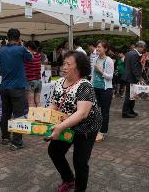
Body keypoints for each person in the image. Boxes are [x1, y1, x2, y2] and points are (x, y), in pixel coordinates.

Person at [48, 51, 102, 192]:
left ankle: (79, 188)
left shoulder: (85, 86)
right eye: (63, 63)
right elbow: (54, 104)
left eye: (68, 64)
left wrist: (59, 127)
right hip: (65, 123)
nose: (64, 67)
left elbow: (82, 113)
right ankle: (69, 180)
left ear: (78, 67)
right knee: (54, 151)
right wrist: (43, 120)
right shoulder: (59, 82)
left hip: (86, 127)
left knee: (80, 161)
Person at [0, 28, 32, 150]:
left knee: (5, 113)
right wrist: (22, 45)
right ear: (19, 38)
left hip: (4, 87)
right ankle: (17, 142)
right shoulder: (21, 49)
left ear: (7, 37)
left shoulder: (1, 51)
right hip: (17, 87)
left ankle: (5, 137)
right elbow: (30, 58)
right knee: (18, 114)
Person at [91, 40, 114, 142]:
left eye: (100, 47)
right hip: (95, 88)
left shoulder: (109, 60)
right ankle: (95, 129)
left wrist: (100, 70)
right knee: (94, 110)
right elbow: (93, 75)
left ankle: (102, 132)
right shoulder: (95, 59)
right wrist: (91, 86)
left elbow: (110, 77)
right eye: (97, 46)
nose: (98, 48)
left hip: (106, 90)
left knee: (104, 112)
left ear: (105, 49)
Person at [121, 41, 146, 118]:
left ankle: (130, 110)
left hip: (128, 76)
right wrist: (140, 78)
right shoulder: (135, 54)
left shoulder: (129, 53)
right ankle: (125, 112)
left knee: (132, 95)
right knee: (130, 95)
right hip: (131, 77)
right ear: (140, 47)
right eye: (143, 48)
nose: (143, 50)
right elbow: (134, 68)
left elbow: (125, 63)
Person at [24, 41, 42, 107]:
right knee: (38, 101)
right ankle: (40, 116)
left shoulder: (27, 56)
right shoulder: (39, 55)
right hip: (39, 81)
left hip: (30, 80)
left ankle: (32, 117)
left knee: (31, 103)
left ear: (28, 47)